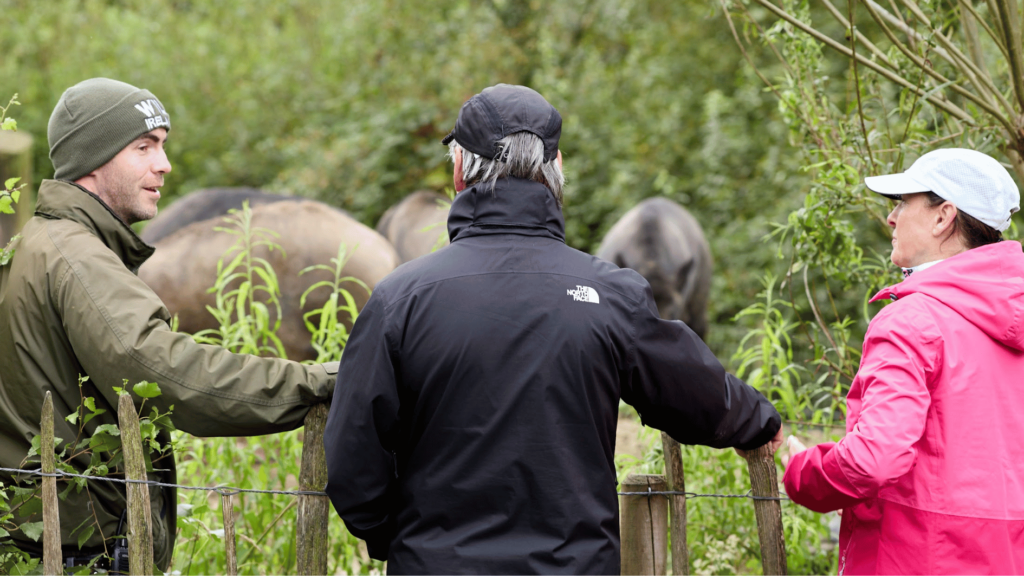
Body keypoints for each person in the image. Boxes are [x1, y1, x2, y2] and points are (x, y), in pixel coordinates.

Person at [323, 84, 783, 574]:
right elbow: (695, 393)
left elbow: (353, 462)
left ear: (459, 172)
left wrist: (407, 542)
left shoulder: (400, 299)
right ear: (557, 169)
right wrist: (758, 421)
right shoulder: (609, 295)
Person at [0, 78, 337, 570]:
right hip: (78, 555)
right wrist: (318, 380)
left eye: (163, 145)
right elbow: (170, 376)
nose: (164, 164)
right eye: (144, 147)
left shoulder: (37, 242)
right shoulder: (78, 259)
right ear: (94, 157)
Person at [783, 148, 1024, 573]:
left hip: (917, 558)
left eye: (902, 202)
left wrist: (804, 471)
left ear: (942, 216)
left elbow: (874, 459)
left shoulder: (912, 321)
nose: (892, 218)